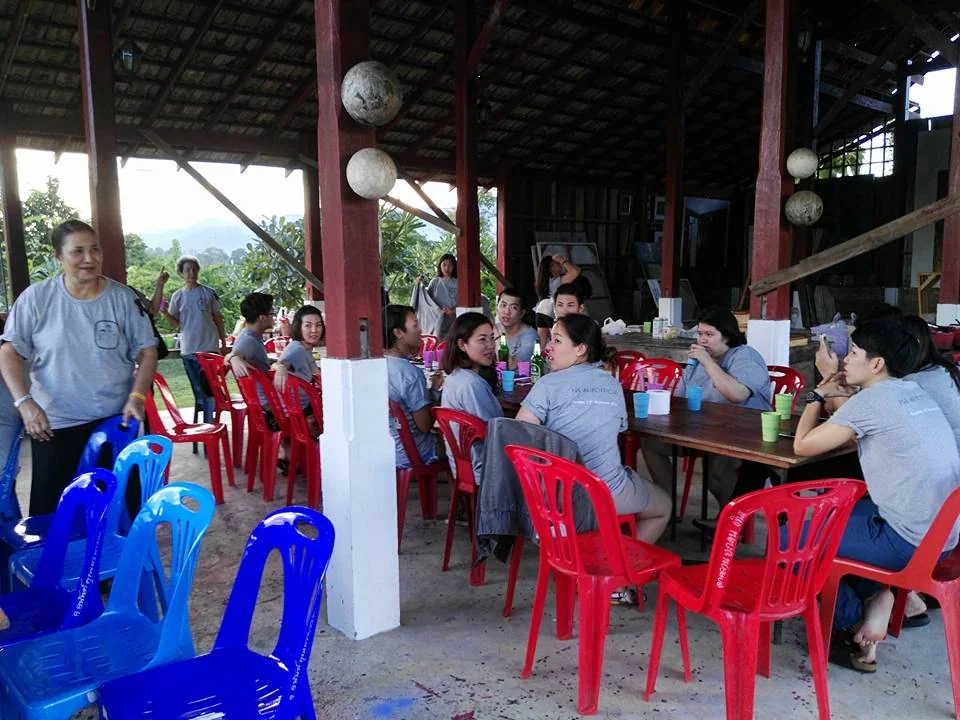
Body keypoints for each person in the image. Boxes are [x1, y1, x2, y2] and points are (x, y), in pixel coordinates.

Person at [793, 317, 960, 672]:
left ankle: (850, 624)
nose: (845, 360)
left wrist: (817, 393)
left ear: (877, 363)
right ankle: (878, 595)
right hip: (941, 535)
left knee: (794, 539)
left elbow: (803, 445)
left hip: (908, 541)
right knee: (835, 518)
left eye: (853, 352)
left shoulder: (871, 402)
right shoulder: (910, 390)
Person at [0, 220, 158, 515]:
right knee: (54, 520)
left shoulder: (122, 298)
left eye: (95, 249)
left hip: (114, 423)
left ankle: (119, 562)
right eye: (78, 251)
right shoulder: (36, 299)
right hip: (55, 425)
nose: (89, 258)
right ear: (58, 256)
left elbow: (147, 351)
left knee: (120, 514)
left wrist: (137, 396)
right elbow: (8, 352)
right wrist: (24, 403)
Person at [516, 314, 671, 544]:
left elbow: (521, 433)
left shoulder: (547, 384)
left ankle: (602, 560)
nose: (549, 347)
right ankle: (617, 572)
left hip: (555, 496)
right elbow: (620, 427)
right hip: (606, 492)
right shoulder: (611, 384)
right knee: (664, 506)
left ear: (580, 349)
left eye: (557, 341)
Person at [641, 307, 772, 506]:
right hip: (704, 431)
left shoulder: (745, 356)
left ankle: (729, 523)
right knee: (652, 443)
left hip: (746, 432)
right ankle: (665, 505)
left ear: (727, 336)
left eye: (709, 334)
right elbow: (679, 400)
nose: (702, 340)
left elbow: (737, 394)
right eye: (700, 334)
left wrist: (707, 362)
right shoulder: (698, 363)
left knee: (716, 469)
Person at [161, 255, 227, 423]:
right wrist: (165, 313)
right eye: (187, 270)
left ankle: (210, 425)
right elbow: (176, 324)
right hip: (189, 350)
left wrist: (224, 342)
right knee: (199, 392)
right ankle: (205, 427)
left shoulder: (208, 293)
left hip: (209, 349)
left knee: (210, 390)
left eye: (194, 269)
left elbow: (218, 319)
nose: (191, 273)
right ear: (181, 273)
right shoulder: (177, 297)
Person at [440, 312, 503, 483]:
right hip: (482, 469)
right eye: (482, 340)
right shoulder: (471, 384)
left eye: (492, 338)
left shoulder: (454, 376)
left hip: (462, 465)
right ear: (462, 344)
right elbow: (496, 432)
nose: (490, 346)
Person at [384, 305, 441, 467]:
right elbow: (425, 425)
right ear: (398, 333)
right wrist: (435, 393)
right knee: (457, 447)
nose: (420, 330)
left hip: (384, 448)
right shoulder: (410, 373)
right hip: (412, 452)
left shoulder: (374, 364)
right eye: (415, 325)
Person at [272, 305, 323, 419]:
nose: (314, 330)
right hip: (298, 412)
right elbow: (282, 364)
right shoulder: (298, 349)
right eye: (308, 325)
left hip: (297, 408)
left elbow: (317, 374)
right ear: (299, 327)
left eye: (318, 325)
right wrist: (280, 368)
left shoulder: (305, 348)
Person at [534, 254, 583, 347]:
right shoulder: (557, 281)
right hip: (551, 310)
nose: (560, 265)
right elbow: (576, 271)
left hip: (540, 309)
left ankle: (540, 361)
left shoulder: (543, 281)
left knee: (541, 345)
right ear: (551, 267)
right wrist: (562, 260)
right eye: (557, 264)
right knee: (558, 341)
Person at [497, 288, 538, 370]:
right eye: (503, 305)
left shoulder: (530, 336)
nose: (507, 311)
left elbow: (510, 366)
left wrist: (495, 335)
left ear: (522, 313)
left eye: (514, 307)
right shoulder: (494, 328)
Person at [426, 253, 458, 339]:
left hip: (454, 319)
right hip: (438, 321)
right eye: (444, 265)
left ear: (454, 267)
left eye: (450, 265)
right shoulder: (434, 282)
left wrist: (452, 311)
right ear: (439, 266)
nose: (447, 268)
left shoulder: (458, 282)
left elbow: (462, 302)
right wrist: (419, 286)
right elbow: (427, 300)